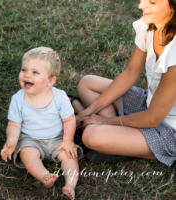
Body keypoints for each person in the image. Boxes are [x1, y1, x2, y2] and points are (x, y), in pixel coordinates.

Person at [70, 0, 176, 166]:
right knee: (87, 83)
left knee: (91, 136)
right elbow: (130, 73)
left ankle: (120, 141)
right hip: (150, 105)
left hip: (169, 130)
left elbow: (152, 119)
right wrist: (91, 110)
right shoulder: (150, 24)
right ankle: (120, 141)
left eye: (152, 2)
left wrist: (107, 122)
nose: (141, 6)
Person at [0, 47, 84, 200]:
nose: (27, 75)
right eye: (24, 69)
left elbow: (69, 119)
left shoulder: (60, 97)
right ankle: (45, 176)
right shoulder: (18, 99)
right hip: (30, 139)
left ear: (50, 81)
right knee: (27, 154)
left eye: (35, 72)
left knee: (70, 156)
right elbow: (14, 125)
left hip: (58, 139)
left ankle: (70, 183)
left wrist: (68, 140)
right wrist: (11, 141)